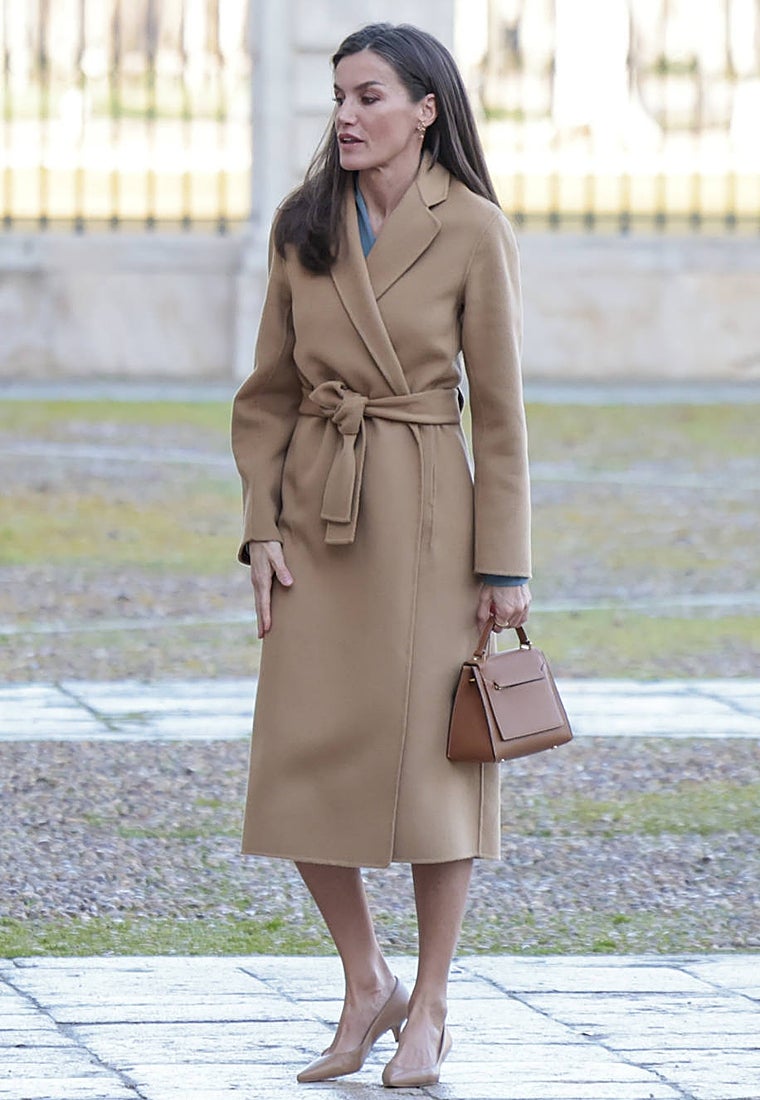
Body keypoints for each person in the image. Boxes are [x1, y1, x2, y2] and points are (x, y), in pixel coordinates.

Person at [231, 22, 531, 1089]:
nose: (347, 115)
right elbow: (266, 396)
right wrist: (261, 528)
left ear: (424, 109)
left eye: (368, 96)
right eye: (337, 96)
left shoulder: (473, 229)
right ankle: (366, 979)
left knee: (435, 768)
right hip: (318, 514)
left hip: (429, 520)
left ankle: (431, 1004)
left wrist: (505, 567)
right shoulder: (302, 225)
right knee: (303, 753)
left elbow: (498, 416)